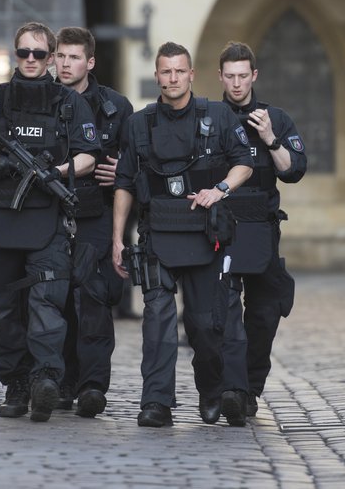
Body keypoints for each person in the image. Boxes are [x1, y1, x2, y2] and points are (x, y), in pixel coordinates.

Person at [0, 21, 100, 423]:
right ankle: (16, 384)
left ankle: (46, 379)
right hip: (2, 220)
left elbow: (90, 153)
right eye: (23, 52)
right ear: (15, 54)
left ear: (51, 57)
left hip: (48, 221)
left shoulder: (69, 103)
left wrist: (59, 170)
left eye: (38, 53)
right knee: (4, 310)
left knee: (47, 303)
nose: (30, 60)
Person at [112, 41, 253, 428]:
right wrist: (117, 239)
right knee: (157, 319)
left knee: (206, 325)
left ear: (191, 74)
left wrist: (219, 190)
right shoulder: (139, 124)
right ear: (156, 75)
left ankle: (212, 391)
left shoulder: (219, 116)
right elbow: (124, 183)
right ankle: (156, 402)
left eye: (179, 71)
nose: (172, 78)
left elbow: (245, 164)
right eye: (165, 71)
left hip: (207, 236)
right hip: (158, 234)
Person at [217, 41, 307, 418]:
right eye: (230, 76)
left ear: (254, 76)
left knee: (263, 315)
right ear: (220, 77)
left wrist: (270, 137)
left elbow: (294, 171)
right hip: (220, 231)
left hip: (262, 231)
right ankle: (232, 390)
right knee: (221, 316)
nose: (237, 84)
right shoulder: (210, 117)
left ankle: (250, 388)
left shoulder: (277, 118)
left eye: (243, 76)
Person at [53, 26, 133, 417]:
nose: (65, 64)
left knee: (94, 299)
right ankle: (62, 380)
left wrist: (123, 172)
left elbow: (137, 167)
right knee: (57, 300)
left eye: (73, 57)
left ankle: (92, 386)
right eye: (61, 56)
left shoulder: (116, 107)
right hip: (50, 216)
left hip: (97, 213)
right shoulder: (42, 100)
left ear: (90, 62)